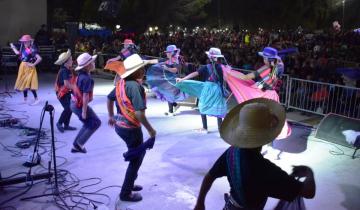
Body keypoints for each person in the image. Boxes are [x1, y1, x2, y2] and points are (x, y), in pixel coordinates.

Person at [194, 98, 316, 210]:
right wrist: (309, 172)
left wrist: (200, 203)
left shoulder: (232, 152)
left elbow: (209, 176)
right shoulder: (265, 170)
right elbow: (308, 192)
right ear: (268, 135)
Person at [107, 54, 157, 202]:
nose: (144, 69)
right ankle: (126, 192)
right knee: (136, 159)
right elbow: (139, 114)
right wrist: (150, 130)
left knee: (135, 156)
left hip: (119, 126)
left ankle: (130, 182)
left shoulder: (121, 83)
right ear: (137, 71)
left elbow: (109, 98)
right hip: (131, 129)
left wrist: (111, 116)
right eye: (142, 67)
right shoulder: (135, 87)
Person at [223, 46, 291, 142]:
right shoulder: (279, 66)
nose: (263, 60)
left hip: (262, 93)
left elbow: (245, 77)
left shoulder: (267, 68)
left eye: (264, 58)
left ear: (268, 59)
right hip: (271, 94)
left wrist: (230, 71)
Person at [176, 48, 228, 133]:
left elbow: (195, 73)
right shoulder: (221, 67)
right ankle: (220, 130)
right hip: (217, 89)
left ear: (211, 57)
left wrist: (183, 79)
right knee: (218, 109)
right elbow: (223, 80)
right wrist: (223, 91)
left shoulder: (207, 67)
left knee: (203, 106)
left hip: (208, 89)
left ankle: (205, 128)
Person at [70, 53, 101, 153]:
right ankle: (79, 144)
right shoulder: (86, 78)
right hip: (79, 105)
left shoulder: (82, 75)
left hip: (74, 104)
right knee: (96, 122)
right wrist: (84, 111)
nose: (94, 62)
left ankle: (76, 145)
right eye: (92, 61)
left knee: (88, 123)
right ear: (87, 65)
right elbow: (85, 96)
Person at [10, 35, 42, 105]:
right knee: (24, 84)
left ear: (30, 42)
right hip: (23, 67)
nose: (24, 43)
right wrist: (12, 47)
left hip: (29, 68)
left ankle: (37, 99)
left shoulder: (32, 49)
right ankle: (25, 100)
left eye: (26, 42)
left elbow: (39, 58)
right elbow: (18, 53)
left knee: (30, 84)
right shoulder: (23, 48)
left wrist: (33, 64)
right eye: (24, 42)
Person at [54, 49, 77, 132]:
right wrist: (75, 88)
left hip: (66, 91)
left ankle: (66, 125)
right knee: (67, 108)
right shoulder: (64, 71)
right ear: (66, 62)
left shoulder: (68, 69)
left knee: (70, 108)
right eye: (70, 59)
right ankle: (59, 123)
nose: (72, 61)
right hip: (61, 92)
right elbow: (67, 84)